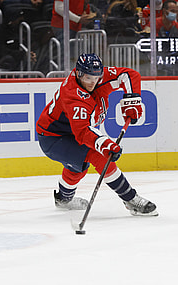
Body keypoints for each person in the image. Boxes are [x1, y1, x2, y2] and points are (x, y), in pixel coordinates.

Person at [36, 53, 158, 216]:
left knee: (78, 166)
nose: (93, 82)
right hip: (53, 137)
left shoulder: (96, 77)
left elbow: (129, 75)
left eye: (96, 77)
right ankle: (131, 199)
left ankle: (63, 199)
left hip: (70, 131)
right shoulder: (73, 96)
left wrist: (132, 98)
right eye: (88, 78)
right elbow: (83, 132)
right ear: (79, 74)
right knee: (98, 156)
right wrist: (106, 144)